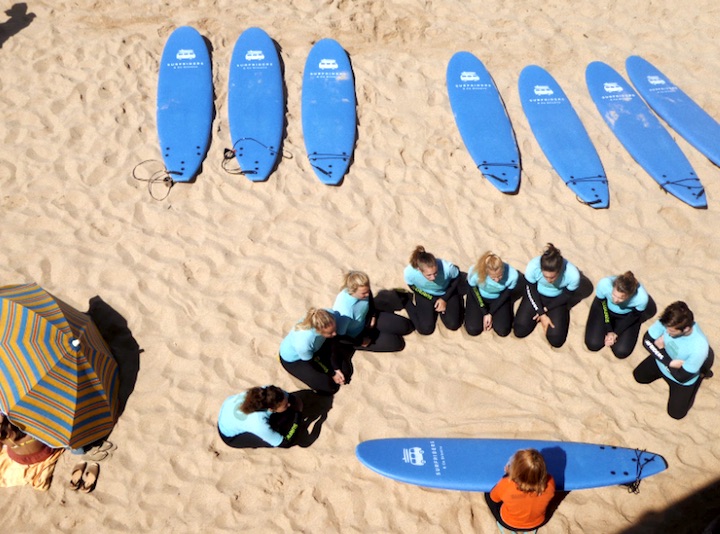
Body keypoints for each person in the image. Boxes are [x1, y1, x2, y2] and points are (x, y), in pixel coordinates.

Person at [633, 301, 711, 420]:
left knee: (676, 414)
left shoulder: (699, 347)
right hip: (664, 361)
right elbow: (647, 340)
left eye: (672, 331)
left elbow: (682, 377)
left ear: (686, 329)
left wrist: (660, 350)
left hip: (681, 380)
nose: (667, 333)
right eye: (666, 329)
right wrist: (668, 362)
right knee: (638, 377)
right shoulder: (669, 320)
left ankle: (700, 375)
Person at [513, 243, 580, 348]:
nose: (548, 280)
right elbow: (530, 289)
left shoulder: (572, 274)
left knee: (556, 340)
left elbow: (567, 296)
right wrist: (541, 313)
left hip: (557, 299)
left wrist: (546, 309)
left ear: (559, 270)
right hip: (536, 295)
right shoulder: (533, 266)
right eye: (545, 276)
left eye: (552, 277)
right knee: (519, 330)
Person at [333, 270, 414, 352]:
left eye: (368, 290)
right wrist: (360, 342)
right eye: (364, 293)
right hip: (358, 335)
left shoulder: (364, 291)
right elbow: (340, 337)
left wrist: (373, 315)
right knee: (398, 343)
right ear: (353, 291)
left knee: (406, 326)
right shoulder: (345, 313)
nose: (367, 294)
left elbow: (370, 300)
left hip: (369, 320)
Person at [279, 308, 350, 395]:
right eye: (330, 333)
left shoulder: (329, 315)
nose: (334, 334)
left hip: (318, 346)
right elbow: (311, 362)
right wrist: (332, 373)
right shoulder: (304, 343)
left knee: (345, 372)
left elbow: (333, 343)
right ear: (318, 331)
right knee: (330, 388)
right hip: (297, 359)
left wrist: (336, 368)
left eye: (334, 329)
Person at [485, 448, 556, 532]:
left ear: (515, 471)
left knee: (488, 494)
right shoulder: (550, 482)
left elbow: (494, 498)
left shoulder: (506, 484)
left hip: (509, 523)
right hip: (538, 522)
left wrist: (507, 474)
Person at [584, 271, 650, 358]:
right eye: (614, 295)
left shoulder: (641, 298)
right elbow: (602, 304)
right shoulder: (604, 284)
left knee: (621, 352)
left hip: (627, 315)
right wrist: (609, 329)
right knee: (593, 344)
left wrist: (616, 333)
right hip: (604, 308)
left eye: (621, 298)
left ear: (630, 295)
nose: (615, 300)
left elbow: (634, 316)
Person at [403, 245, 463, 335]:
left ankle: (443, 309)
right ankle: (406, 301)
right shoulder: (410, 272)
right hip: (425, 294)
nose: (433, 277)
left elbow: (457, 278)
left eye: (435, 273)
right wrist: (433, 299)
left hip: (446, 291)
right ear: (419, 270)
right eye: (429, 275)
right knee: (425, 329)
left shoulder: (447, 268)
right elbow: (412, 286)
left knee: (453, 324)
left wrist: (444, 299)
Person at [217, 386, 303, 448]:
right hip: (230, 436)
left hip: (227, 413)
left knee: (284, 415)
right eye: (285, 405)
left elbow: (291, 398)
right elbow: (285, 443)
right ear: (271, 409)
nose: (289, 404)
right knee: (277, 431)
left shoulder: (266, 392)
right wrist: (297, 417)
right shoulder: (258, 423)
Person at [464, 251, 518, 337]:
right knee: (473, 329)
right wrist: (485, 312)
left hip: (499, 297)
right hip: (479, 296)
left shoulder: (512, 275)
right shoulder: (475, 273)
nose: (497, 280)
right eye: (493, 278)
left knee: (503, 331)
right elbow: (474, 291)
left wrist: (491, 313)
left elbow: (506, 294)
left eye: (500, 276)